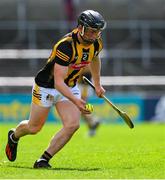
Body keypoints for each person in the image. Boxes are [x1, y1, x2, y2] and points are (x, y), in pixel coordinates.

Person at [5, 9, 106, 168]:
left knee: (73, 125)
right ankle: (14, 136)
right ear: (81, 28)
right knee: (34, 127)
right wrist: (77, 101)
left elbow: (95, 58)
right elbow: (59, 83)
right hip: (47, 87)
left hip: (70, 86)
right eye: (92, 31)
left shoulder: (96, 43)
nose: (95, 35)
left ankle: (43, 160)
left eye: (98, 32)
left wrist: (98, 84)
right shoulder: (66, 46)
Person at [78, 68, 101, 136]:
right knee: (81, 109)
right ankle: (92, 127)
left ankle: (93, 120)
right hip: (82, 86)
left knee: (81, 107)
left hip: (84, 86)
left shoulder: (87, 64)